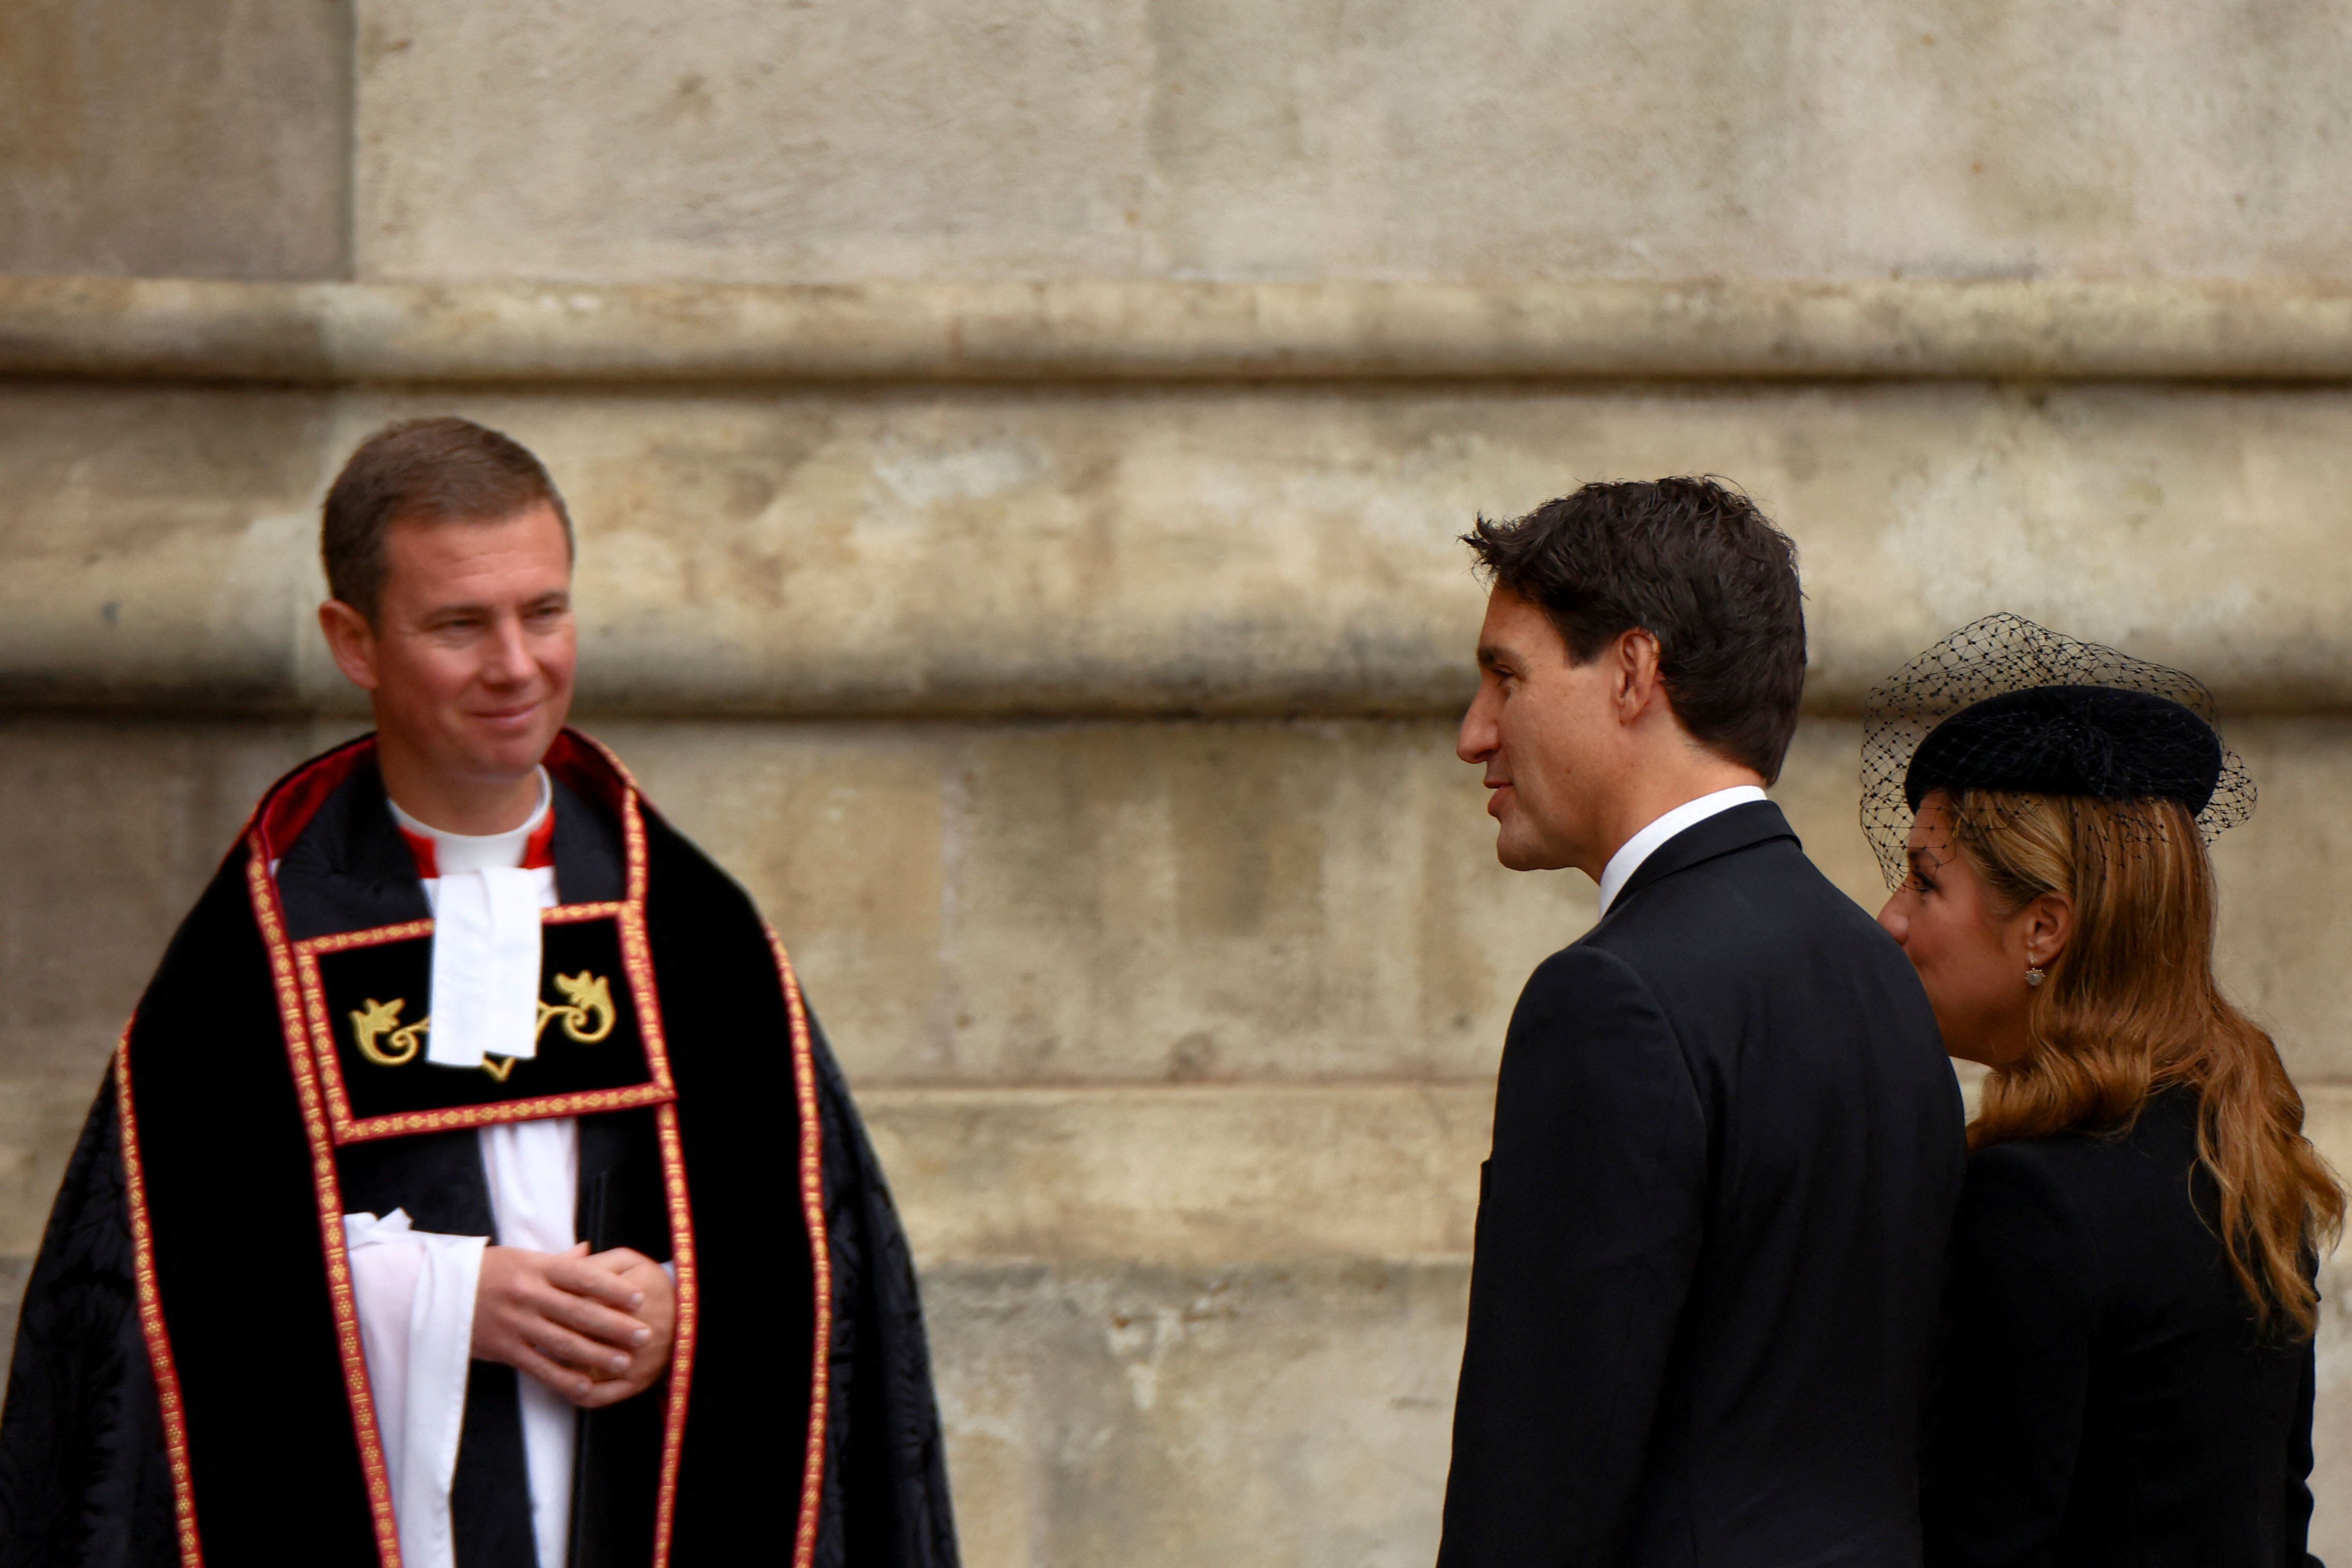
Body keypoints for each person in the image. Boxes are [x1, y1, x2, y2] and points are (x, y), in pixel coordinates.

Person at [0, 418, 959, 1568]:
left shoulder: (687, 932)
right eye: (461, 624)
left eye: (543, 612)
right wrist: (450, 1300)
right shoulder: (267, 943)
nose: (517, 665)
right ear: (354, 642)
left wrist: (683, 1304)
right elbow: (157, 1286)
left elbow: (823, 1252)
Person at [1438, 478, 1964, 1567]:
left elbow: (1539, 1465)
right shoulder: (1878, 972)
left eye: (1505, 677)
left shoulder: (1609, 999)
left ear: (1632, 672)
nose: (1473, 733)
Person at [1865, 614, 2342, 1568]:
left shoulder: (2033, 1200)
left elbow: (1980, 1543)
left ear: (2044, 929)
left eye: (1925, 882)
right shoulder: (2238, 1146)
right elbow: (2275, 1523)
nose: (1890, 921)